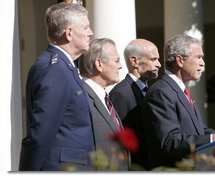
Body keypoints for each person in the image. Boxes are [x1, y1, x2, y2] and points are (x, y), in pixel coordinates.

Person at [19, 2, 95, 171]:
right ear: (69, 33)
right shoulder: (55, 69)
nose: (91, 33)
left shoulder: (64, 66)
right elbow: (41, 132)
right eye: (85, 28)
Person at [141, 34, 215, 170]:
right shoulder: (161, 92)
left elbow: (198, 129)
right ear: (180, 60)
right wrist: (213, 139)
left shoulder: (179, 90)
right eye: (198, 57)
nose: (202, 63)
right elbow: (169, 141)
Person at [109, 39, 161, 170]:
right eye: (153, 59)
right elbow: (118, 139)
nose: (159, 64)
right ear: (134, 61)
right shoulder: (120, 93)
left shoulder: (149, 91)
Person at [78, 38, 129, 170]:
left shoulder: (105, 98)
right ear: (99, 64)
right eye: (116, 61)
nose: (120, 66)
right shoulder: (81, 98)